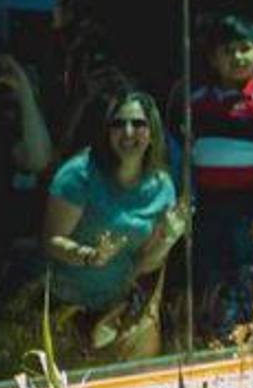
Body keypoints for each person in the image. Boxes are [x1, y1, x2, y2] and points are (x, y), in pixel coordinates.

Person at [42, 91, 182, 327]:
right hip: (62, 307)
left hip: (115, 312)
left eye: (138, 124)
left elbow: (144, 263)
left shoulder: (163, 187)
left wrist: (168, 239)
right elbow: (51, 241)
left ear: (152, 133)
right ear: (107, 132)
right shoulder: (79, 174)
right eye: (118, 124)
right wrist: (88, 256)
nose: (128, 132)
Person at [186, 14, 253, 336]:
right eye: (228, 50)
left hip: (249, 207)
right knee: (212, 275)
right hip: (210, 205)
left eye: (245, 49)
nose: (237, 57)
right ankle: (215, 341)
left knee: (250, 275)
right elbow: (189, 158)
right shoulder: (198, 102)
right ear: (214, 58)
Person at [0, 56, 55, 289]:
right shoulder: (0, 126)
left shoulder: (33, 128)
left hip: (20, 255)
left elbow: (36, 159)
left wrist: (25, 90)